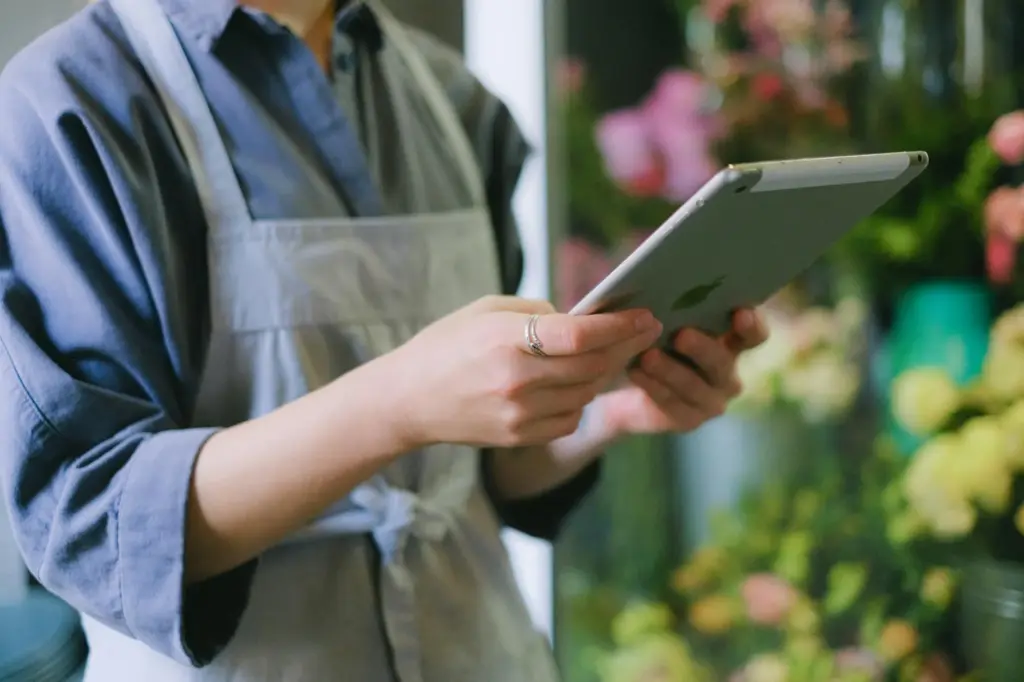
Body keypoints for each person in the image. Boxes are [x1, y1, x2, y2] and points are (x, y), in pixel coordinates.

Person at [0, 0, 767, 680]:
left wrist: (610, 409)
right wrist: (398, 403)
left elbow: (485, 478)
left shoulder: (457, 100)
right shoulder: (67, 103)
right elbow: (96, 524)